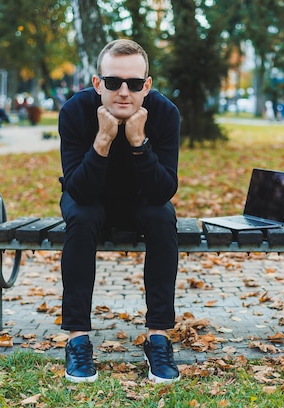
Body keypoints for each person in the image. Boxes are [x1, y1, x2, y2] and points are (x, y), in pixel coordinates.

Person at [58, 39, 181, 384]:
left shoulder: (166, 113)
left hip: (142, 200)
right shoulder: (74, 111)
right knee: (81, 218)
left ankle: (158, 337)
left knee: (162, 217)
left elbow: (163, 191)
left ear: (147, 85)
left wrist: (139, 143)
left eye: (134, 83)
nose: (124, 92)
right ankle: (77, 339)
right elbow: (77, 190)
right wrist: (103, 140)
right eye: (113, 82)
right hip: (89, 198)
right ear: (98, 84)